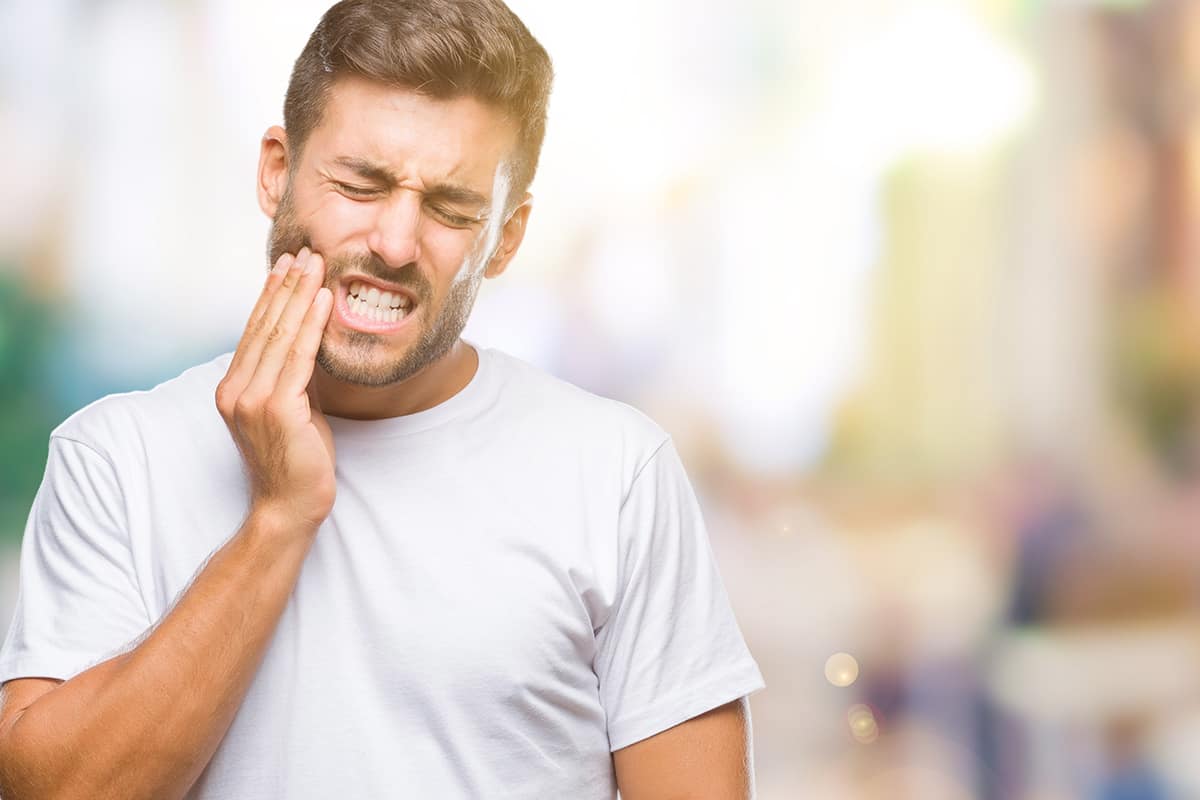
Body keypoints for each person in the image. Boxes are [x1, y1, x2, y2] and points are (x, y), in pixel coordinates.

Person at [0, 1, 764, 797]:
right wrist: (277, 519)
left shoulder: (617, 474)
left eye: (451, 208)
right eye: (360, 184)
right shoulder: (116, 459)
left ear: (505, 237)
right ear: (275, 171)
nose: (396, 244)